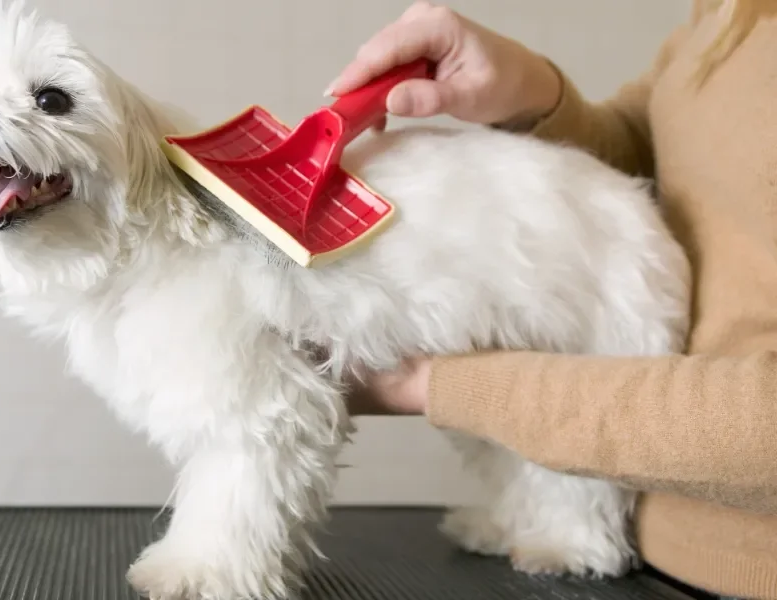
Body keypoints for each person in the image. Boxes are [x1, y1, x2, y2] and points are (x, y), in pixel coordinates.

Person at [328, 1, 777, 599]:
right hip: (640, 550)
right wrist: (531, 93)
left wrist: (435, 384)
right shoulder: (738, 13)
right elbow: (673, 159)